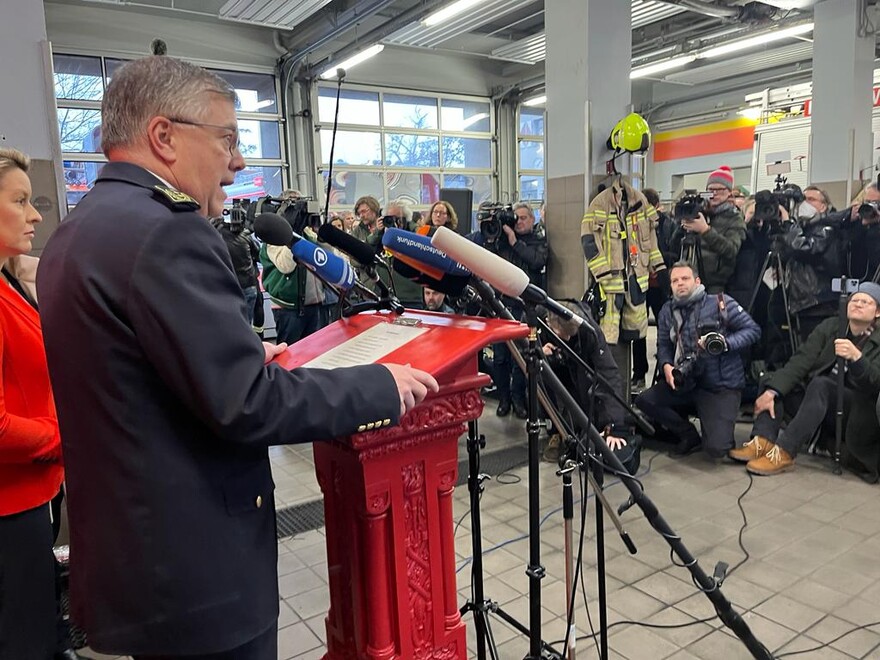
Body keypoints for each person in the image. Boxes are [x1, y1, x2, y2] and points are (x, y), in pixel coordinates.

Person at [36, 56, 438, 660]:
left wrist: (238, 353)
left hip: (133, 568)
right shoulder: (169, 232)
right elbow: (248, 405)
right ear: (163, 136)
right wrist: (379, 384)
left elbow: (133, 375)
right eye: (226, 138)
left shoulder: (79, 230)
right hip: (197, 584)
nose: (240, 161)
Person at [0, 148, 66, 660]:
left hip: (27, 495)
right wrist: (65, 437)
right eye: (20, 201)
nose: (36, 213)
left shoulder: (9, 281)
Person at [730, 282, 880, 479]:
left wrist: (857, 358)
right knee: (774, 380)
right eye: (855, 300)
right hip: (817, 402)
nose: (858, 304)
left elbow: (875, 382)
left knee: (821, 385)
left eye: (866, 302)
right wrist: (772, 391)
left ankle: (784, 451)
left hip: (854, 411)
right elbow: (801, 360)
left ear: (877, 312)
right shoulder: (831, 327)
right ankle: (763, 440)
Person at [635, 262, 760, 459]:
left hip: (720, 386)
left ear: (697, 281)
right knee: (644, 400)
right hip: (687, 382)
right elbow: (664, 345)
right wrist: (666, 365)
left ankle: (713, 425)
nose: (680, 284)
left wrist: (725, 343)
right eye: (675, 280)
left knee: (717, 449)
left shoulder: (720, 303)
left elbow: (753, 331)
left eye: (685, 279)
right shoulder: (667, 310)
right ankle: (689, 435)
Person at [470, 202, 547, 419]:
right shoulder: (498, 240)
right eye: (516, 218)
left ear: (532, 220)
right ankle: (504, 399)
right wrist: (491, 230)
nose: (519, 221)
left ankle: (518, 400)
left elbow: (537, 260)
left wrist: (514, 242)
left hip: (524, 307)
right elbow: (482, 255)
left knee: (520, 358)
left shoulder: (537, 240)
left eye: (523, 218)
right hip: (500, 305)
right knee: (501, 357)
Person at [669, 165, 746, 293]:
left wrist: (705, 230)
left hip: (717, 285)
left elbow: (731, 250)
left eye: (719, 189)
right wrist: (681, 227)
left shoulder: (735, 218)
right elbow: (674, 246)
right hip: (689, 279)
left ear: (729, 192)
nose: (714, 194)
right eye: (710, 190)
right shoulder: (699, 212)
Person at [631, 187, 675, 390]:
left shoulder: (669, 226)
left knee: (665, 329)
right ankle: (639, 373)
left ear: (657, 207)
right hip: (640, 285)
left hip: (661, 286)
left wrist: (655, 258)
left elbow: (674, 253)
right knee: (638, 330)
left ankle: (665, 371)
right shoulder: (633, 224)